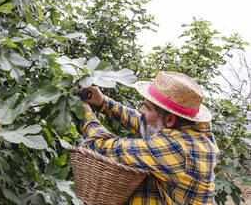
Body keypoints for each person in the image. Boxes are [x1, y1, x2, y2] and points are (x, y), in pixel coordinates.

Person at [79, 71, 219, 205]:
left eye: (147, 107)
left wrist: (86, 115)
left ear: (170, 119)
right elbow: (143, 122)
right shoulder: (194, 132)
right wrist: (104, 102)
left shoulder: (178, 148)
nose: (141, 110)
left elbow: (106, 148)